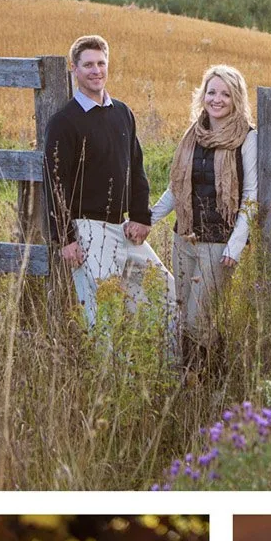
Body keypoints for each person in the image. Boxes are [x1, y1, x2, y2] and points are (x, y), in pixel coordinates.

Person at [42, 34, 175, 333]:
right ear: (74, 69)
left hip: (123, 226)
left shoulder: (123, 113)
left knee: (166, 293)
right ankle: (108, 378)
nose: (96, 70)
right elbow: (55, 184)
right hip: (88, 230)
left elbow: (136, 167)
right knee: (106, 310)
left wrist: (142, 216)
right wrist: (65, 238)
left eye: (101, 63)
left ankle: (166, 371)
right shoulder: (65, 122)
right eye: (88, 64)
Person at [151, 64, 257, 360]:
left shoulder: (247, 138)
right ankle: (192, 383)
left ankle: (211, 377)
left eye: (225, 94)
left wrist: (236, 244)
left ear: (237, 99)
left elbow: (250, 196)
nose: (217, 99)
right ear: (203, 95)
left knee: (199, 319)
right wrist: (148, 219)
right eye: (212, 92)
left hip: (219, 244)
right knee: (184, 317)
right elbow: (177, 187)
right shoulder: (192, 135)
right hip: (184, 238)